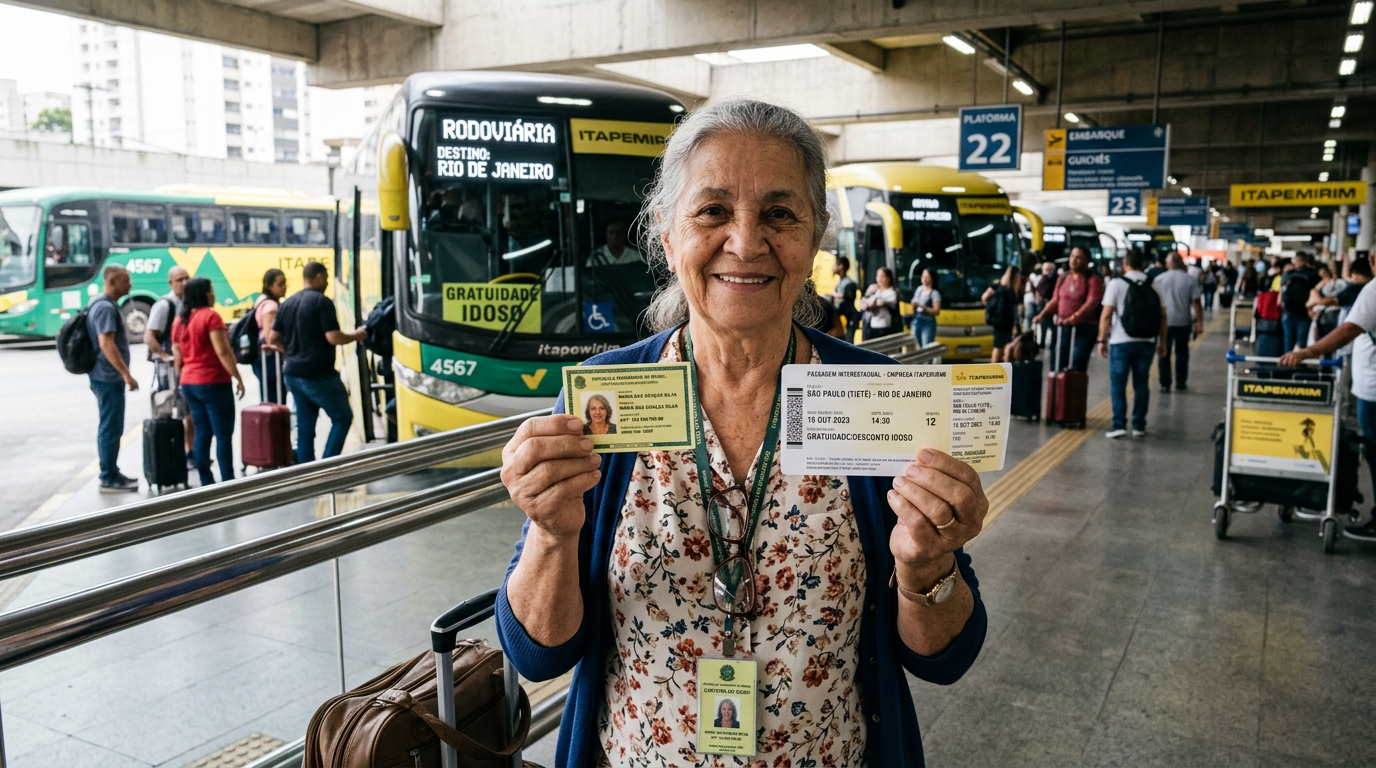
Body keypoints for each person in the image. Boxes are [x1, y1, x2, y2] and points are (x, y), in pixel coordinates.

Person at [495, 98, 987, 768]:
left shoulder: (876, 400)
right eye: (713, 211)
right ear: (667, 233)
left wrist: (927, 565)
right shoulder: (605, 399)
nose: (747, 242)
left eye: (780, 214)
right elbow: (537, 653)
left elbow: (944, 658)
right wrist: (552, 535)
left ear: (815, 237)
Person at [1281, 251, 1376, 542]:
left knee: (1374, 450)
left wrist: (1307, 352)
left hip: (1373, 390)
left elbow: (1349, 329)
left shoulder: (1373, 290)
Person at [266, 261, 366, 463]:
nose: (327, 283)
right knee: (342, 417)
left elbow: (272, 338)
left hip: (293, 374)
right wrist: (356, 335)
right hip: (319, 375)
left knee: (305, 427)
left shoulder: (287, 303)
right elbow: (333, 337)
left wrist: (289, 351)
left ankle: (307, 472)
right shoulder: (322, 302)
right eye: (326, 279)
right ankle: (327, 465)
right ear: (319, 278)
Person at [172, 277, 246, 486]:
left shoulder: (180, 321)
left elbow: (177, 355)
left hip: (189, 382)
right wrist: (237, 376)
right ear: (205, 294)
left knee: (202, 432)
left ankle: (206, 481)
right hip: (213, 381)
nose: (214, 294)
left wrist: (184, 376)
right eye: (211, 290)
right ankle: (228, 481)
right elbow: (222, 351)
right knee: (223, 434)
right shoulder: (210, 317)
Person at [1098, 249, 1167, 439]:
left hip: (1120, 341)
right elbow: (1163, 317)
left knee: (1118, 384)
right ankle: (1138, 426)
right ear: (1143, 264)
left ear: (1125, 264)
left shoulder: (1116, 284)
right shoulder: (1154, 284)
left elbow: (1106, 315)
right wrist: (1162, 342)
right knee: (1141, 383)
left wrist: (1102, 340)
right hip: (1147, 342)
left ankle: (1119, 424)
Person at [87, 265, 140, 493]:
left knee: (110, 425)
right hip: (107, 377)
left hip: (104, 375)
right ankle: (108, 476)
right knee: (111, 427)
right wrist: (126, 374)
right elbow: (106, 344)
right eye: (125, 280)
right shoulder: (105, 308)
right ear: (111, 282)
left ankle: (111, 472)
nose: (130, 285)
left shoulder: (101, 304)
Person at [142, 265, 194, 456]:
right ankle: (176, 453)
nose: (184, 283)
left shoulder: (189, 303)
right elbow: (149, 336)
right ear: (170, 283)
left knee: (188, 411)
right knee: (174, 411)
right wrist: (165, 356)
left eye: (187, 278)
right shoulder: (165, 305)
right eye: (179, 280)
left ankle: (190, 451)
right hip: (169, 370)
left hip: (185, 366)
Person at [1032, 246, 1104, 372]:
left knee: (1077, 362)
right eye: (1072, 256)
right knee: (1057, 361)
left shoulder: (1093, 280)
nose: (1073, 260)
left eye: (1078, 257)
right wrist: (1042, 315)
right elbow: (1055, 300)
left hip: (1084, 328)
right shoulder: (1063, 277)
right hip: (1063, 327)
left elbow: (1092, 302)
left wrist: (1075, 317)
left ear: (1087, 261)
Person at [1152, 255, 1204, 392]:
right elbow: (1196, 303)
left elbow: (1154, 302)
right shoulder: (1190, 279)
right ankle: (1181, 382)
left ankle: (1165, 384)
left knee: (1164, 352)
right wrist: (1199, 322)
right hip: (1183, 322)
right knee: (1182, 352)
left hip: (1164, 323)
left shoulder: (1159, 279)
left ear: (1168, 264)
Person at [251, 269, 287, 404]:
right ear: (269, 286)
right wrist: (284, 350)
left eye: (285, 283)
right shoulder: (270, 306)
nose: (284, 287)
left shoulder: (261, 300)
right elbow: (269, 337)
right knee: (275, 399)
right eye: (280, 284)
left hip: (264, 357)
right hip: (271, 358)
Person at [1280, 252, 1320, 352]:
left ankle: (1288, 360)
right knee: (1300, 341)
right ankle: (1297, 360)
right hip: (1301, 312)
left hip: (1292, 312)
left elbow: (1282, 291)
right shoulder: (1313, 274)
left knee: (1290, 341)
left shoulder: (1288, 274)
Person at [982, 265, 1020, 363]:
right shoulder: (1005, 291)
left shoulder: (1002, 289)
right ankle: (1001, 368)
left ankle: (999, 367)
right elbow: (1005, 310)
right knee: (1001, 347)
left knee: (1000, 347)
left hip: (1000, 323)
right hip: (1003, 323)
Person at [860, 266, 901, 340]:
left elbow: (877, 303)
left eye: (882, 276)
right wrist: (869, 293)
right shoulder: (876, 291)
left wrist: (870, 301)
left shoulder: (892, 292)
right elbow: (862, 303)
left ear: (888, 278)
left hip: (884, 327)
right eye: (878, 276)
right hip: (872, 325)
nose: (879, 279)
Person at [828, 256, 860, 340]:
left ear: (841, 266)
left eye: (836, 264)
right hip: (843, 316)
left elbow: (847, 297)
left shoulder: (849, 283)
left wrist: (834, 294)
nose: (834, 267)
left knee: (849, 339)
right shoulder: (840, 282)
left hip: (850, 317)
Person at [911, 267, 942, 346]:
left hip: (928, 321)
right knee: (915, 344)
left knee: (926, 344)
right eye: (923, 277)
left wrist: (923, 307)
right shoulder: (919, 289)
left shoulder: (934, 293)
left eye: (927, 277)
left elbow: (936, 311)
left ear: (932, 279)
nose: (924, 279)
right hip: (917, 319)